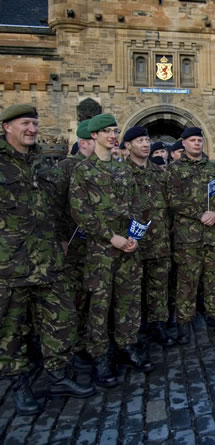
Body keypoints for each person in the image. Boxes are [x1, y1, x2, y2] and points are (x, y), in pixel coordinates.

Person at [1, 104, 94, 415]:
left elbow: (60, 208)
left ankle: (57, 375)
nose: (32, 128)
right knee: (12, 331)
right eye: (25, 123)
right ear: (7, 127)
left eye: (35, 123)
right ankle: (19, 385)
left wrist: (64, 241)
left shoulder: (43, 165)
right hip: (9, 266)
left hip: (49, 261)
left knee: (62, 320)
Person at [70, 113, 154, 388]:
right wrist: (111, 237)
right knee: (100, 305)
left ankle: (127, 346)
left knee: (128, 301)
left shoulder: (122, 169)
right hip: (100, 251)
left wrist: (134, 236)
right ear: (93, 136)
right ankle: (100, 357)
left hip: (128, 248)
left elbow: (137, 205)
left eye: (115, 130)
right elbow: (80, 212)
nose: (112, 135)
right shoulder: (84, 171)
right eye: (106, 131)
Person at [167, 126, 215, 345]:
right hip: (189, 237)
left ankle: (214, 316)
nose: (197, 143)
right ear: (184, 143)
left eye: (199, 140)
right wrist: (200, 214)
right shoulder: (174, 169)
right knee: (187, 281)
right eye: (192, 140)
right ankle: (184, 323)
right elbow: (173, 199)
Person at [124, 127, 175, 346]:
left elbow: (171, 204)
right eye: (139, 140)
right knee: (131, 291)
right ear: (128, 146)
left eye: (147, 140)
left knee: (159, 287)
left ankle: (158, 326)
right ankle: (133, 332)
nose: (145, 144)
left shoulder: (159, 173)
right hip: (131, 244)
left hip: (159, 241)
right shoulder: (120, 173)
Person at [52, 120, 97, 370]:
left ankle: (93, 343)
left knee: (94, 298)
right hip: (73, 247)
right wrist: (61, 240)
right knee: (74, 299)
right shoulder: (66, 168)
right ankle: (75, 348)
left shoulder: (103, 168)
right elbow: (56, 208)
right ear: (84, 142)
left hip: (97, 247)